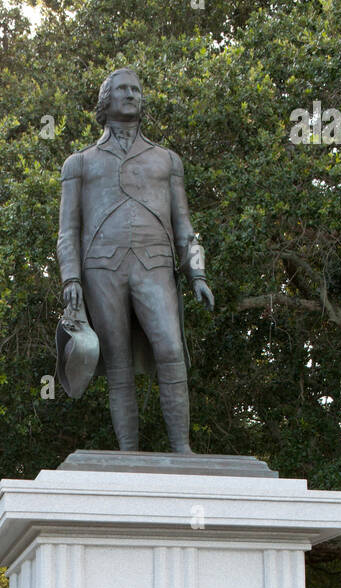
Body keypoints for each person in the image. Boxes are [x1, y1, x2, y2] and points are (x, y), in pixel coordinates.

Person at [56, 67, 214, 452]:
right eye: (122, 89)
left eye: (136, 90)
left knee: (171, 350)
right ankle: (128, 453)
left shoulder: (167, 160)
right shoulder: (79, 163)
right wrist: (70, 279)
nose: (131, 95)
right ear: (105, 100)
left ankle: (182, 448)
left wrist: (197, 272)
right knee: (117, 362)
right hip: (100, 268)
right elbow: (67, 231)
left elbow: (185, 225)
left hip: (156, 263)